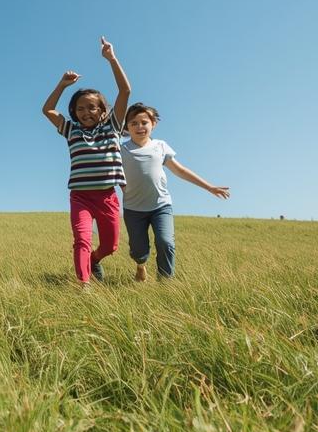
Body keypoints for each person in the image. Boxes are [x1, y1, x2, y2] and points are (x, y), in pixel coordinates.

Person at [41, 37, 130, 285]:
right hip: (80, 196)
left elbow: (125, 91)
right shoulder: (72, 130)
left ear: (103, 110)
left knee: (111, 246)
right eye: (80, 108)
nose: (85, 112)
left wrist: (112, 59)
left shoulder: (113, 127)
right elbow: (47, 109)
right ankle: (84, 285)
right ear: (74, 112)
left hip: (107, 196)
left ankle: (95, 259)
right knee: (81, 239)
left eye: (92, 107)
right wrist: (62, 84)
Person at [119, 103, 230, 281]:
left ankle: (166, 283)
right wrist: (123, 187)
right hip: (134, 208)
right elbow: (115, 174)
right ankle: (140, 265)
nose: (140, 126)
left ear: (153, 124)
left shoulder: (160, 146)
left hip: (161, 205)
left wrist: (209, 187)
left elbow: (180, 170)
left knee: (166, 242)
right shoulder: (122, 150)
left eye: (144, 122)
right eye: (134, 123)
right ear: (126, 127)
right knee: (139, 250)